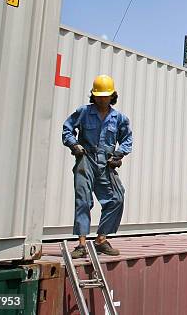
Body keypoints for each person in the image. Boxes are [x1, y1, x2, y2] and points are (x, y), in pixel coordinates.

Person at [62, 75, 132, 258]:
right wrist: (74, 144)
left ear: (112, 96)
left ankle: (101, 239)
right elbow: (68, 128)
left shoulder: (119, 118)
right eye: (99, 95)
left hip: (106, 163)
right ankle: (81, 245)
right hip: (86, 159)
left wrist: (119, 155)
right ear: (93, 95)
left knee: (117, 197)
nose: (102, 99)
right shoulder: (84, 112)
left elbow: (127, 140)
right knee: (83, 201)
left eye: (105, 95)